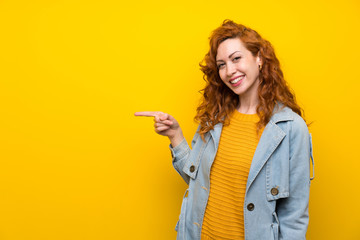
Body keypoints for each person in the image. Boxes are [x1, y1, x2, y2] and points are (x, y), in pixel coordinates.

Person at [135, 20, 314, 240]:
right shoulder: (215, 117)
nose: (229, 71)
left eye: (236, 58)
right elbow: (198, 182)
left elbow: (294, 217)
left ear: (259, 58)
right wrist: (175, 135)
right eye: (221, 64)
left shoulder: (289, 128)